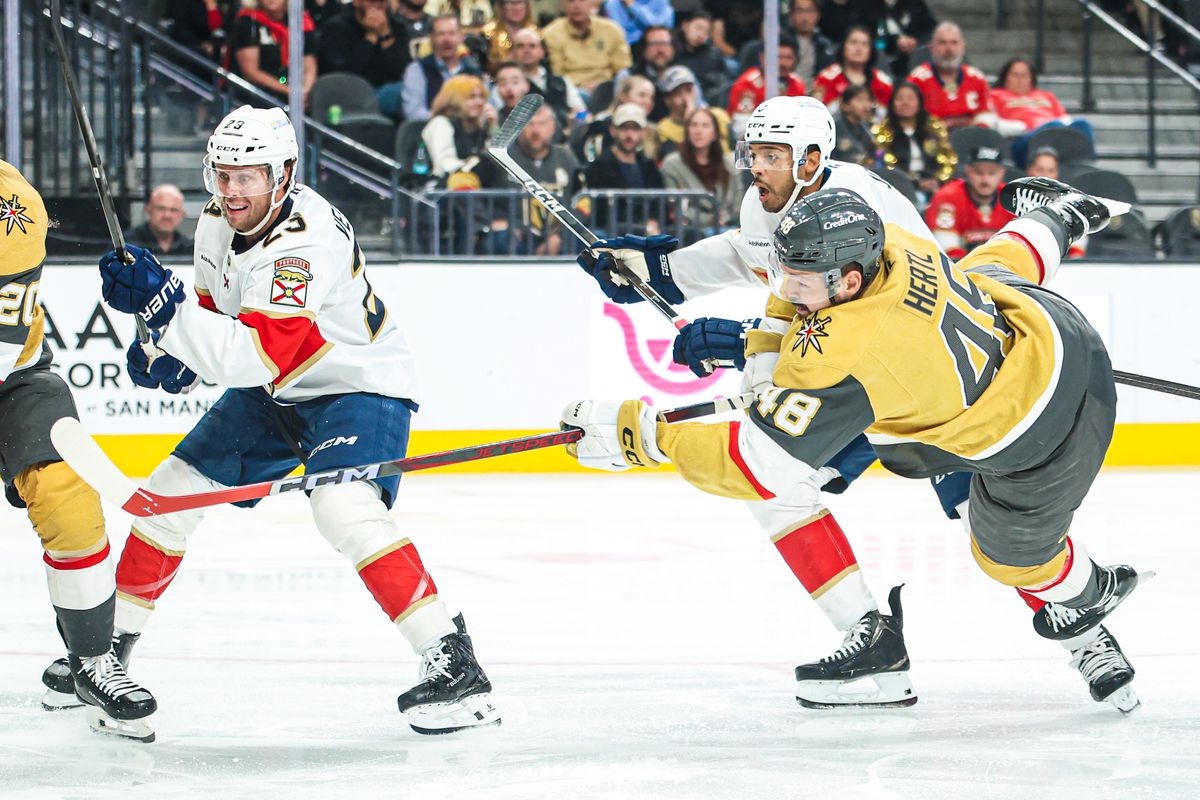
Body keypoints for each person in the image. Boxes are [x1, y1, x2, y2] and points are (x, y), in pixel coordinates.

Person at [562, 179, 1146, 714]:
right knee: (990, 267)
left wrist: (644, 435)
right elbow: (792, 294)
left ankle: (1091, 594)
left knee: (1007, 551)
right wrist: (758, 344)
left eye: (802, 281)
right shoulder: (880, 237)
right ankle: (1061, 214)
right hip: (1032, 323)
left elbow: (754, 462)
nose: (786, 289)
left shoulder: (853, 355)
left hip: (1043, 430)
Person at [43, 106, 501, 735]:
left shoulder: (305, 243)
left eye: (247, 177)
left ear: (282, 175)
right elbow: (214, 314)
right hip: (276, 391)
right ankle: (101, 657)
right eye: (222, 174)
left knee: (343, 508)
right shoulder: (212, 221)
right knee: (167, 499)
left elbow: (255, 353)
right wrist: (163, 347)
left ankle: (454, 663)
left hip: (356, 387)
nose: (231, 191)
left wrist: (163, 309)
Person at [573, 96, 970, 708]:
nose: (757, 167)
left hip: (919, 380)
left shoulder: (859, 210)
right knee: (778, 487)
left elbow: (857, 329)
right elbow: (750, 256)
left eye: (772, 155)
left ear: (812, 160)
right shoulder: (770, 203)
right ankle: (873, 644)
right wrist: (658, 269)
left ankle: (1086, 633)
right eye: (753, 153)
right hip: (857, 388)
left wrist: (742, 345)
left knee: (986, 520)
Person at [1, 160, 157, 742]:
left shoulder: (8, 209)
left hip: (14, 379)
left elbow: (2, 347)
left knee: (66, 493)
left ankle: (91, 661)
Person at [485, 103, 581, 253]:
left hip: (559, 237)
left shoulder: (566, 158)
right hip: (515, 238)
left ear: (552, 127)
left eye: (541, 124)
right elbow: (462, 182)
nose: (535, 131)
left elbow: (584, 199)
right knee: (502, 239)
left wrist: (561, 235)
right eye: (529, 124)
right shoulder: (501, 158)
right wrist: (486, 221)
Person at [991, 57, 1096, 168]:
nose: (1020, 80)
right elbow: (994, 123)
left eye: (1024, 75)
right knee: (1053, 126)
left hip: (1054, 130)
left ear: (1031, 78)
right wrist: (1021, 127)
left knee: (1082, 124)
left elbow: (1064, 119)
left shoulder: (1046, 95)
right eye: (1015, 75)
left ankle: (1087, 164)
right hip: (1022, 138)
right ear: (1005, 78)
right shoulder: (995, 95)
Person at [317, 0, 411, 121]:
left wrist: (385, 34)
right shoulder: (337, 26)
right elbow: (345, 74)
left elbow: (402, 70)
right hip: (348, 96)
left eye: (383, 2)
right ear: (356, 2)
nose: (378, 6)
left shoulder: (397, 27)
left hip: (386, 92)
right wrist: (371, 36)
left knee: (407, 90)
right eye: (372, 2)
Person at [583, 103, 664, 236]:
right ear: (613, 130)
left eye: (635, 129)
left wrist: (653, 221)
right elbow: (602, 212)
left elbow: (659, 203)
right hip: (612, 231)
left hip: (647, 230)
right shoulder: (599, 166)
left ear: (643, 132)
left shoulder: (648, 166)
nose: (629, 135)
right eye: (624, 128)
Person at [925, 144, 1016, 259]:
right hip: (960, 270)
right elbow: (947, 247)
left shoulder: (1013, 199)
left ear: (1002, 173)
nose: (985, 180)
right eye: (979, 173)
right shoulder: (947, 197)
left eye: (992, 173)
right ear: (968, 171)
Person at [872, 80, 956, 200]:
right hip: (899, 189)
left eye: (911, 98)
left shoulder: (933, 129)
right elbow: (884, 167)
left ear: (919, 103)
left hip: (933, 185)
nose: (905, 103)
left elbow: (946, 160)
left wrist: (937, 180)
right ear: (892, 103)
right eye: (900, 99)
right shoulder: (882, 133)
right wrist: (915, 184)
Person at [660, 107, 740, 232]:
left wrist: (726, 218)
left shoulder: (729, 165)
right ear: (687, 131)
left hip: (727, 229)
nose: (698, 131)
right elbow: (675, 210)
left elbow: (737, 205)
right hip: (689, 232)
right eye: (694, 125)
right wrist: (712, 219)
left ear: (714, 134)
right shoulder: (672, 164)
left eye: (705, 125)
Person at [906, 22, 997, 130]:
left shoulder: (977, 79)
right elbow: (908, 119)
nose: (949, 49)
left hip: (969, 142)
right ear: (932, 47)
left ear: (963, 47)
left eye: (954, 43)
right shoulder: (917, 80)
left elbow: (987, 115)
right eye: (942, 43)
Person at [228, 0, 317, 107]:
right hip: (255, 96)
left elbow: (308, 59)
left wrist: (305, 89)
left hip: (291, 93)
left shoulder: (300, 20)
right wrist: (290, 91)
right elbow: (250, 71)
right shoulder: (248, 20)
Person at [400, 14, 482, 123]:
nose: (447, 39)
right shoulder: (417, 70)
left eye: (452, 33)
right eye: (441, 34)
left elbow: (488, 107)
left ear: (461, 37)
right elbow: (413, 114)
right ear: (431, 38)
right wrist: (446, 120)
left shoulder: (473, 70)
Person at [540, 0, 632, 93]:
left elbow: (622, 67)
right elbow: (557, 74)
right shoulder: (550, 34)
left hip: (608, 88)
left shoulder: (612, 29)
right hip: (572, 91)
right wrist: (581, 87)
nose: (577, 6)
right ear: (562, 5)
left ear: (592, 3)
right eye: (571, 1)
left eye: (582, 0)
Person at [422, 74, 495, 184]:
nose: (480, 102)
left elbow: (495, 159)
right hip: (447, 188)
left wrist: (493, 127)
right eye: (472, 97)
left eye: (481, 97)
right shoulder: (440, 123)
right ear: (454, 99)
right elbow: (444, 164)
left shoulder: (479, 127)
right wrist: (473, 164)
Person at [726, 37, 806, 136]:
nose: (783, 63)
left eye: (788, 58)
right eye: (778, 57)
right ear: (762, 58)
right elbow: (741, 128)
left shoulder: (797, 84)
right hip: (755, 142)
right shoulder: (747, 84)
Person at [510, 28, 587, 123]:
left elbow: (583, 113)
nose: (527, 50)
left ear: (542, 52)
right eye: (520, 46)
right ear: (512, 53)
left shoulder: (562, 81)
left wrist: (575, 122)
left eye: (532, 46)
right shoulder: (507, 86)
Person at [655, 65, 732, 158]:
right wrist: (690, 122)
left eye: (689, 90)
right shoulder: (664, 129)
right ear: (667, 100)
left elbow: (739, 145)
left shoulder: (718, 114)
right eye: (678, 94)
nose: (686, 99)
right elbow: (683, 164)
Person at [812, 25, 894, 109]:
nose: (859, 48)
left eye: (865, 44)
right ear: (843, 48)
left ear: (871, 51)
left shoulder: (883, 84)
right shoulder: (827, 79)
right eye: (853, 43)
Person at [124, 184, 194, 257]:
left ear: (182, 214)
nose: (167, 216)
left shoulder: (189, 247)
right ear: (148, 210)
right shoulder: (127, 245)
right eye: (161, 209)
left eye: (173, 210)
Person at [673, 10, 729, 96]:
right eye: (698, 28)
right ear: (685, 25)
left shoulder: (713, 55)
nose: (701, 34)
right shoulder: (671, 50)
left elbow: (722, 82)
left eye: (706, 31)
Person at [479, 0, 537, 72]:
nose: (516, 8)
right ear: (501, 6)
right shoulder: (488, 34)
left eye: (520, 2)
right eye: (511, 3)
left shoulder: (536, 33)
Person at [830, 84, 878, 166]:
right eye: (860, 100)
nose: (866, 105)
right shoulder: (833, 128)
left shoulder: (871, 128)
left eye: (868, 100)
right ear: (845, 105)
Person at [603, 0, 674, 47]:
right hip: (628, 48)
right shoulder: (613, 4)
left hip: (655, 45)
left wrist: (632, 6)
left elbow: (659, 27)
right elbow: (618, 34)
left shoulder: (661, 2)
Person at [491, 61, 534, 125]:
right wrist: (493, 125)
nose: (509, 88)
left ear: (527, 85)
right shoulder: (494, 118)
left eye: (515, 82)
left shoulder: (540, 115)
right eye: (503, 83)